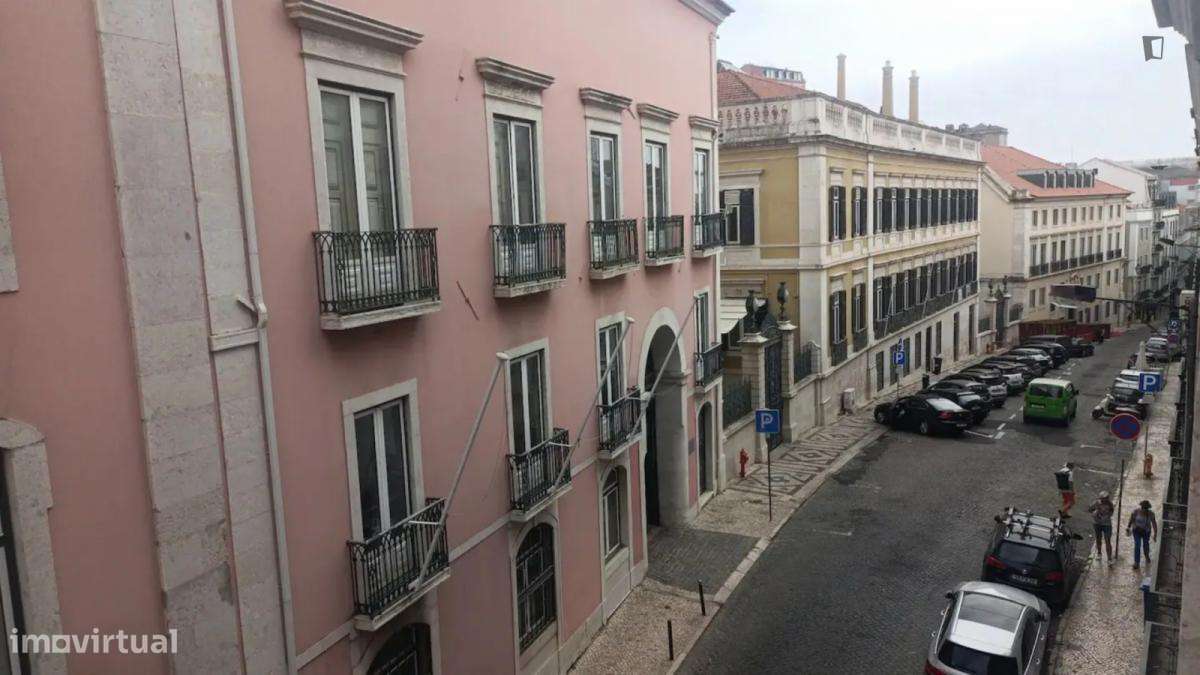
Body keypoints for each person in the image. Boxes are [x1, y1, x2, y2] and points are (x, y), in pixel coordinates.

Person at [1127, 500, 1159, 570]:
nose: (1144, 509)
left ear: (1148, 508)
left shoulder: (1151, 514)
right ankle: (1136, 562)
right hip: (1136, 531)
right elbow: (1131, 519)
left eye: (1146, 508)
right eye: (1143, 508)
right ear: (1141, 507)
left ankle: (1146, 556)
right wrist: (1128, 527)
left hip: (1146, 532)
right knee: (1137, 545)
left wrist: (1155, 534)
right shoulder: (1136, 512)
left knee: (1145, 544)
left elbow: (1154, 524)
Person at [1087, 491, 1115, 564]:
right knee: (1098, 539)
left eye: (1106, 498)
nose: (1104, 500)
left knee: (1107, 541)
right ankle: (1099, 553)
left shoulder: (1110, 504)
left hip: (1106, 524)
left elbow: (1111, 513)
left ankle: (1109, 558)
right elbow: (1089, 509)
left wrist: (1104, 516)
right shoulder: (1097, 503)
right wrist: (1095, 512)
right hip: (1097, 524)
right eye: (1103, 498)